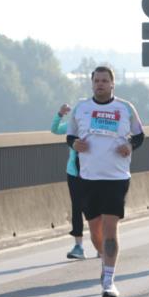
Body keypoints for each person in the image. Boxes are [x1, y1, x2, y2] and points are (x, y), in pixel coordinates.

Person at [65, 66, 145, 297]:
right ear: (92, 84)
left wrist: (130, 145)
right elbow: (70, 135)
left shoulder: (125, 108)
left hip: (116, 178)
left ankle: (109, 280)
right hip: (88, 178)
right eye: (97, 80)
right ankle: (105, 263)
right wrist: (74, 144)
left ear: (112, 84)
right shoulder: (81, 108)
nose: (100, 84)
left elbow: (140, 135)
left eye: (104, 80)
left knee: (111, 228)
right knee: (95, 232)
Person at [52, 103, 102, 260]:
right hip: (74, 172)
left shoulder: (97, 124)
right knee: (76, 208)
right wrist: (60, 114)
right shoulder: (72, 125)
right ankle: (78, 246)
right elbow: (55, 129)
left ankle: (101, 245)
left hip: (95, 173)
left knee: (96, 209)